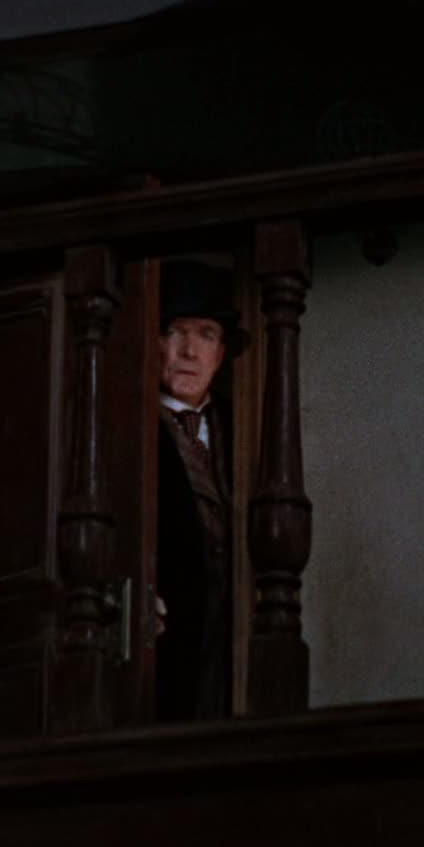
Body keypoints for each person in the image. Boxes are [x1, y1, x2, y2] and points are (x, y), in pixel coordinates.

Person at [153, 260, 245, 721]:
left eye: (206, 335)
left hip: (234, 643)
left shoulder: (243, 424)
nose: (190, 351)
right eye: (176, 332)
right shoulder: (128, 426)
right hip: (165, 642)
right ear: (153, 341)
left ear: (221, 353)